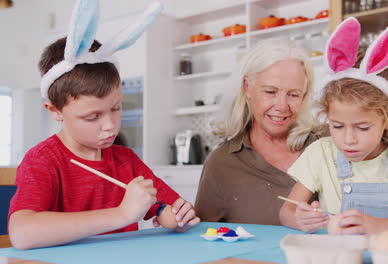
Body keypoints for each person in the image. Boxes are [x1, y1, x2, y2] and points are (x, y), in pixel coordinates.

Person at [8, 1, 199, 250]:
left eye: (116, 108)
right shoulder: (43, 161)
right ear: (54, 110)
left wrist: (175, 217)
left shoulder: (125, 161)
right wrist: (122, 215)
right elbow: (22, 234)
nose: (110, 126)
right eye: (92, 117)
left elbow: (166, 206)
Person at [279, 17, 388, 235]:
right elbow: (286, 211)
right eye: (337, 126)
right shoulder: (320, 153)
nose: (348, 139)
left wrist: (379, 226)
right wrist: (300, 218)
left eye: (362, 128)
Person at [195, 38, 319, 225]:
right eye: (270, 92)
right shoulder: (221, 164)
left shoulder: (326, 143)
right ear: (247, 88)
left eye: (293, 94)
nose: (281, 106)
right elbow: (204, 239)